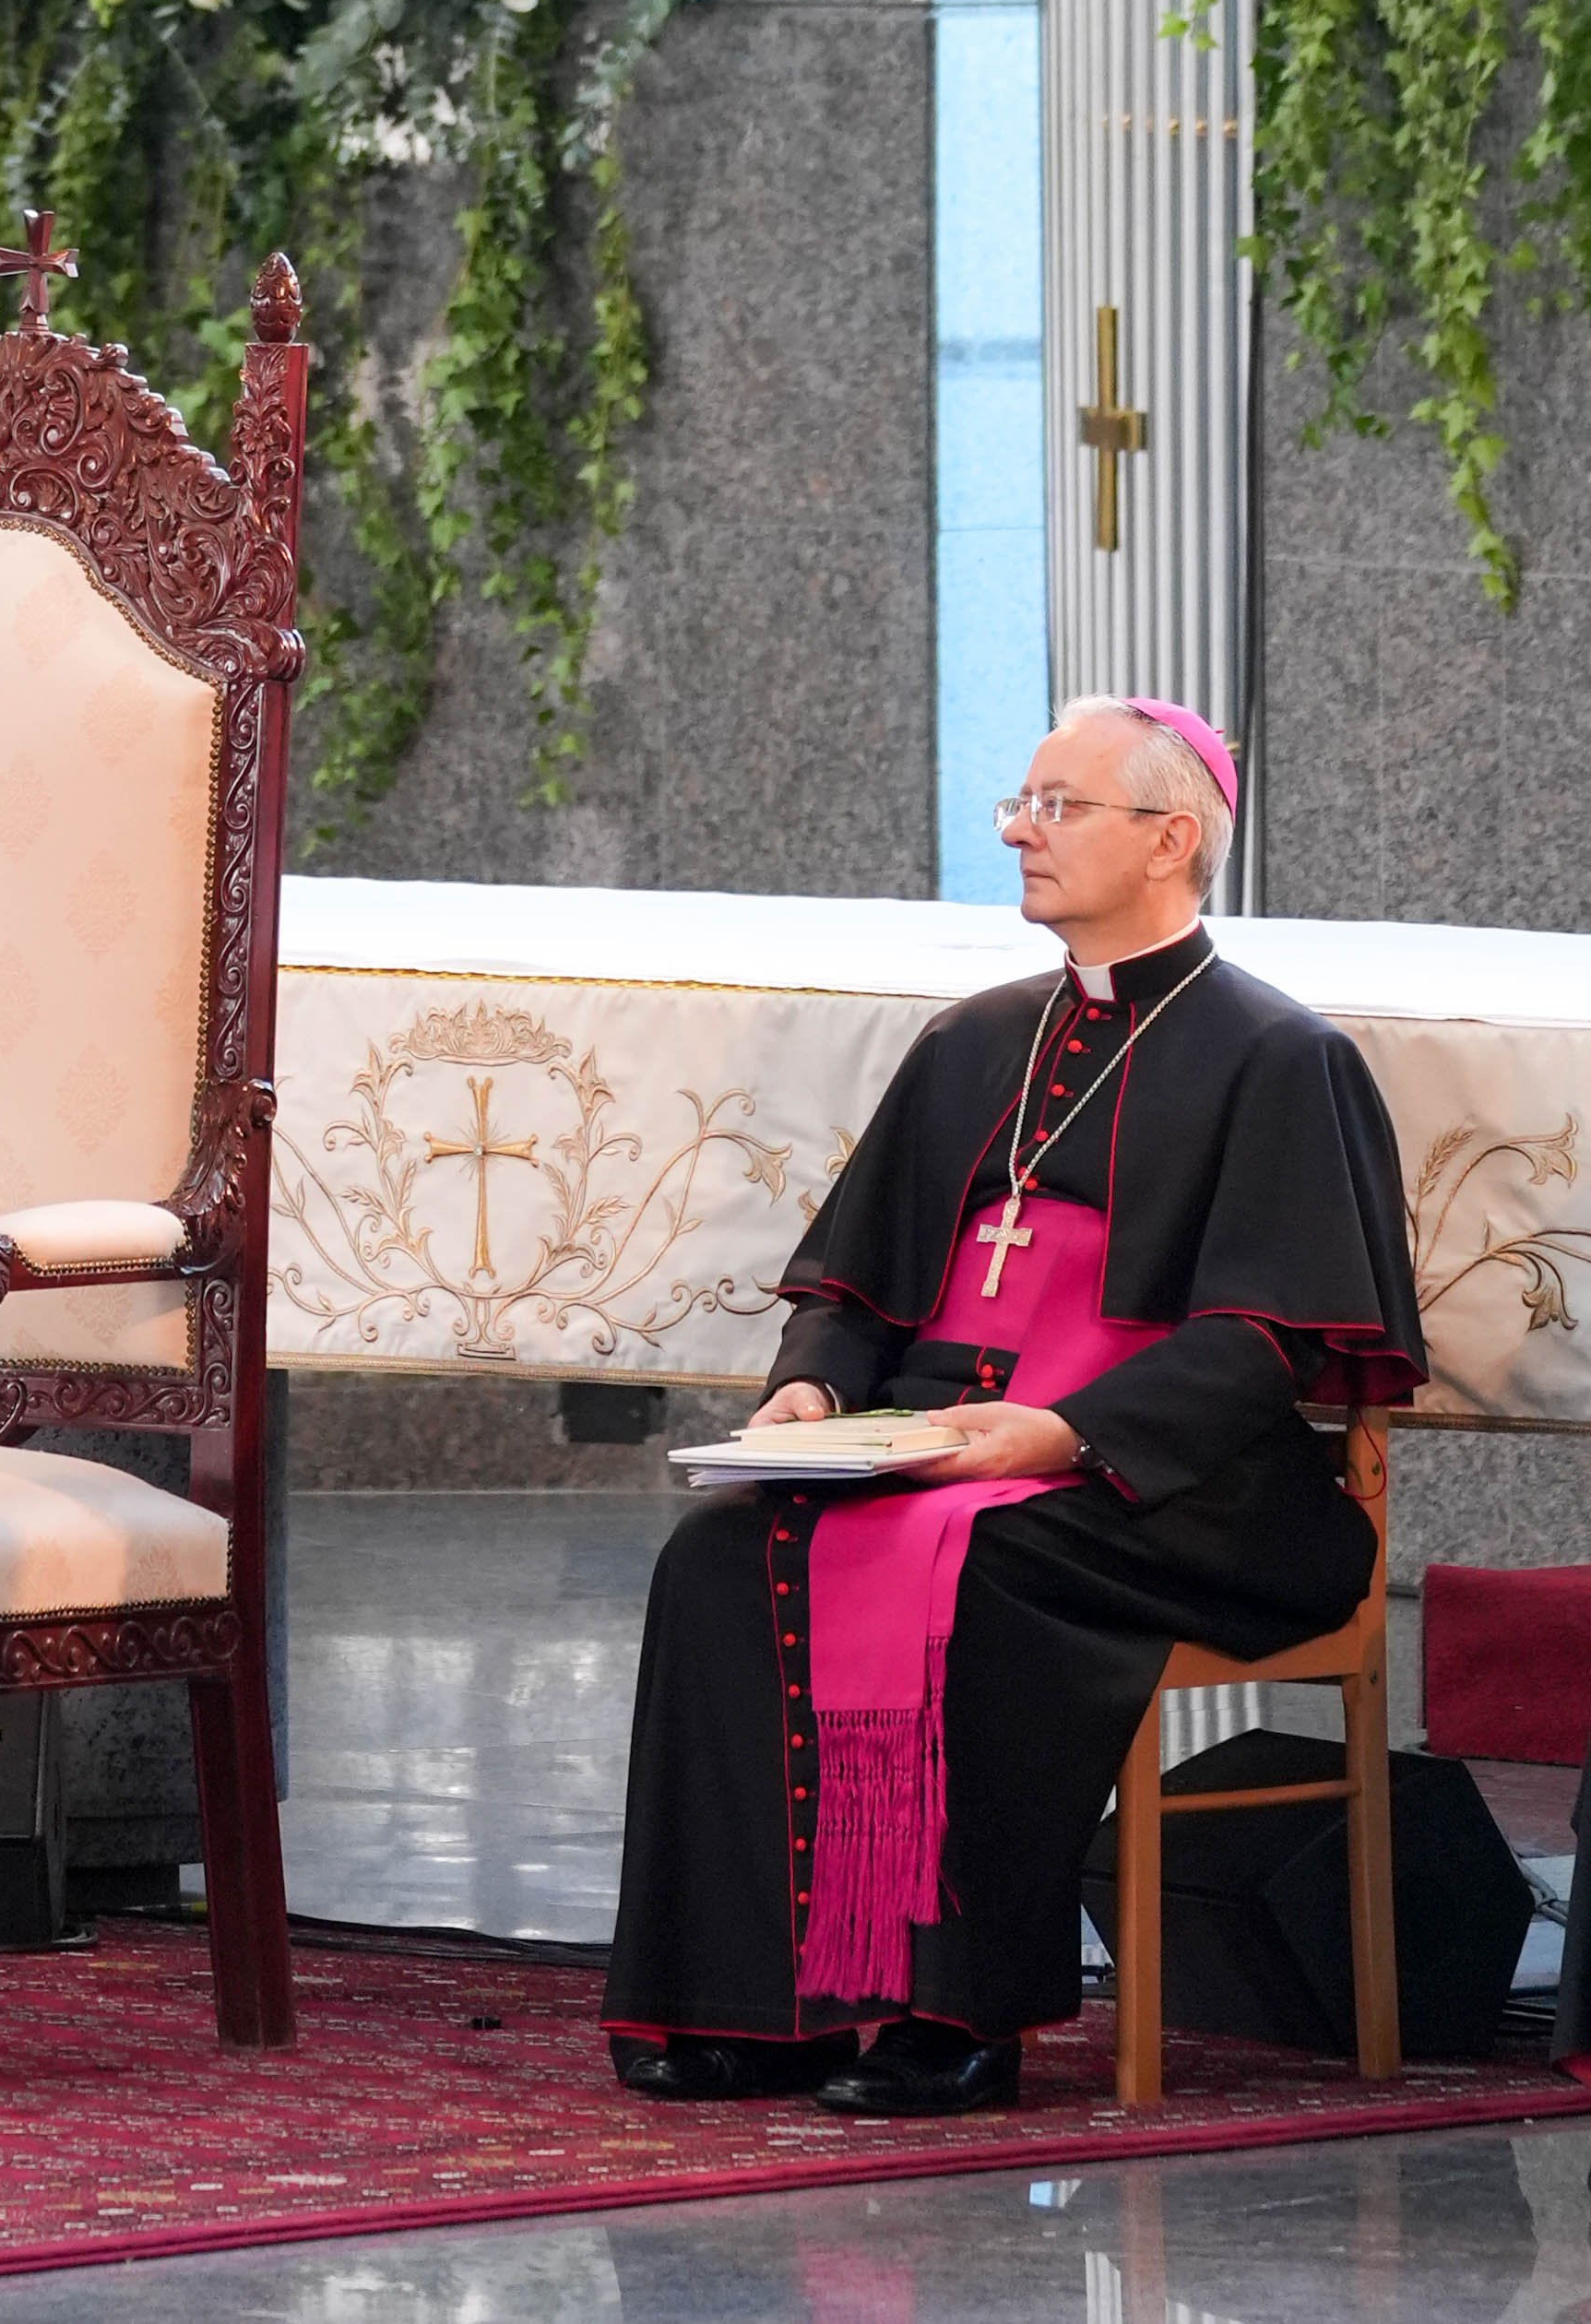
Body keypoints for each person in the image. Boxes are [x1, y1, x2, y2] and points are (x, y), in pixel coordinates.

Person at [604, 694, 1419, 2116]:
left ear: (1171, 839)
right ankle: (762, 2005)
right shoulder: (972, 1039)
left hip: (1168, 1483)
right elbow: (858, 1283)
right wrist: (810, 1385)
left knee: (979, 1575)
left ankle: (951, 2015)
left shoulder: (1278, 1054)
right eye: (1020, 801)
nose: (1019, 831)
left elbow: (1263, 1339)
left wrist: (1066, 1433)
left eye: (1060, 805)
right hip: (936, 1443)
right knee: (719, 1562)